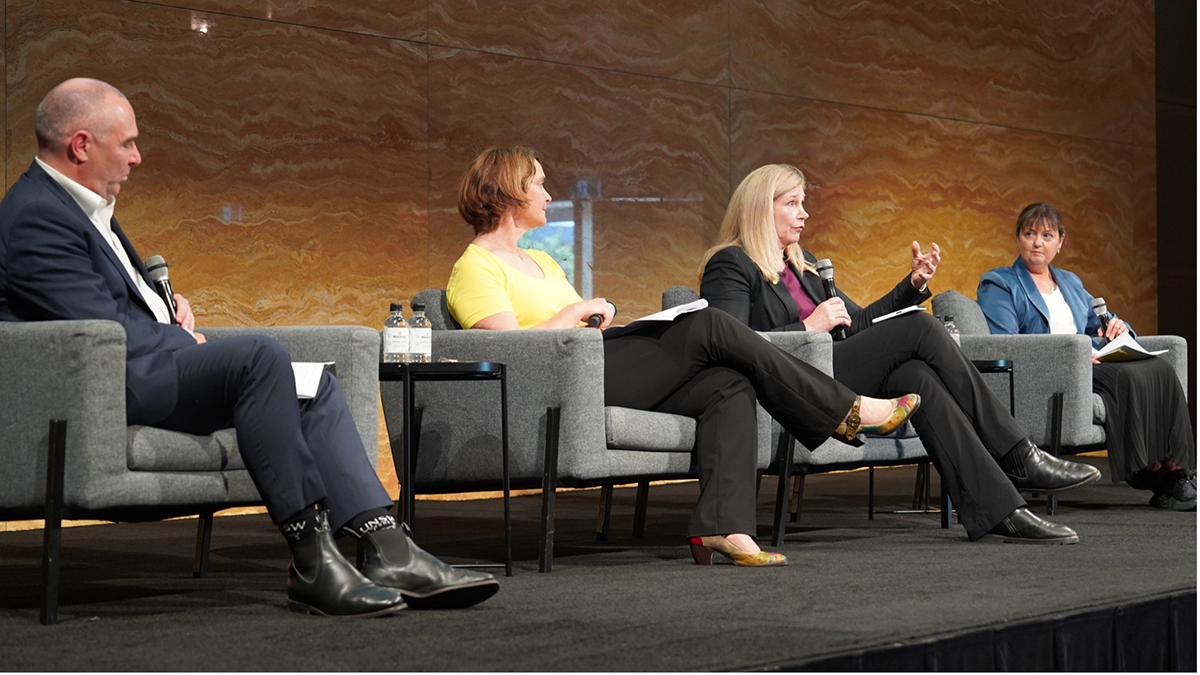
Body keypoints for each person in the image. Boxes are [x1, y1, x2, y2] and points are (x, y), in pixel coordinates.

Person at [0, 78, 500, 616]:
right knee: (260, 356)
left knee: (316, 383)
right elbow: (98, 328)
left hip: (144, 364)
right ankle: (312, 561)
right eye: (127, 143)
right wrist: (175, 335)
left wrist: (164, 308)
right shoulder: (36, 216)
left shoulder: (81, 205)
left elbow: (115, 302)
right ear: (80, 145)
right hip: (104, 387)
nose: (138, 157)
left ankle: (389, 549)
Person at [446, 146, 922, 567]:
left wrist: (602, 319)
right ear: (509, 191)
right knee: (710, 322)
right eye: (539, 184)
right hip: (556, 385)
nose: (549, 194)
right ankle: (845, 408)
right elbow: (511, 351)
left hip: (591, 365)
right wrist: (575, 310)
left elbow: (573, 330)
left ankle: (723, 525)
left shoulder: (545, 261)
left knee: (728, 383)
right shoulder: (475, 266)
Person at [698, 164, 1101, 544]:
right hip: (792, 386)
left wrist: (911, 285)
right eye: (792, 203)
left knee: (916, 378)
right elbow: (729, 344)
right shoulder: (731, 263)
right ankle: (1017, 453)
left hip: (834, 372)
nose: (804, 214)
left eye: (804, 203)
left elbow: (858, 324)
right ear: (758, 208)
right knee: (922, 327)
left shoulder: (802, 265)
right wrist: (806, 328)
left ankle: (998, 510)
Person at [978, 202, 1196, 510]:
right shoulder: (1000, 283)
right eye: (1029, 234)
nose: (1037, 242)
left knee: (1159, 368)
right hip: (1056, 371)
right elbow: (1006, 343)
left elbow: (1102, 322)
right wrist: (1076, 356)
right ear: (1018, 237)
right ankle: (1147, 470)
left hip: (1092, 362)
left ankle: (1176, 470)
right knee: (1126, 375)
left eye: (1047, 235)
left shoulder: (1070, 282)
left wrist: (1121, 329)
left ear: (1060, 241)